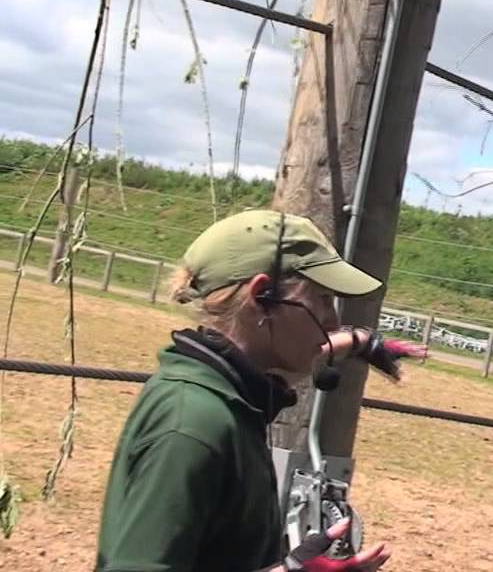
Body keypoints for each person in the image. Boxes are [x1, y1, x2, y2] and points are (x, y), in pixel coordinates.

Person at [94, 209, 427, 572]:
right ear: (260, 297)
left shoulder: (225, 395)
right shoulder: (192, 425)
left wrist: (359, 343)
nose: (332, 320)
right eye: (321, 298)